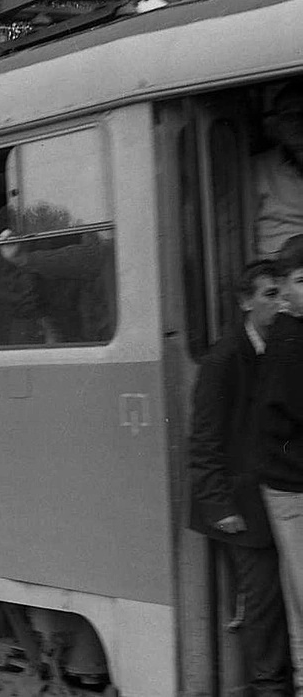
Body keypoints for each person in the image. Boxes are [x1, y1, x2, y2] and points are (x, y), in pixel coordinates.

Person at [189, 260, 293, 695]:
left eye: (284, 293)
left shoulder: (283, 347)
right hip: (242, 505)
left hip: (275, 494)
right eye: (270, 294)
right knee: (263, 602)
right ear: (245, 302)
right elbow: (205, 440)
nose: (281, 302)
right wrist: (221, 506)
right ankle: (268, 686)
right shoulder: (223, 359)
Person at [258, 238, 303, 691]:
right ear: (285, 289)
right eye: (302, 281)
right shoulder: (288, 340)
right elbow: (285, 415)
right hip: (292, 489)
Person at [255, 82, 303, 258]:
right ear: (276, 122)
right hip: (276, 267)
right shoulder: (257, 168)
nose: (296, 120)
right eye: (287, 114)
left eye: (301, 112)